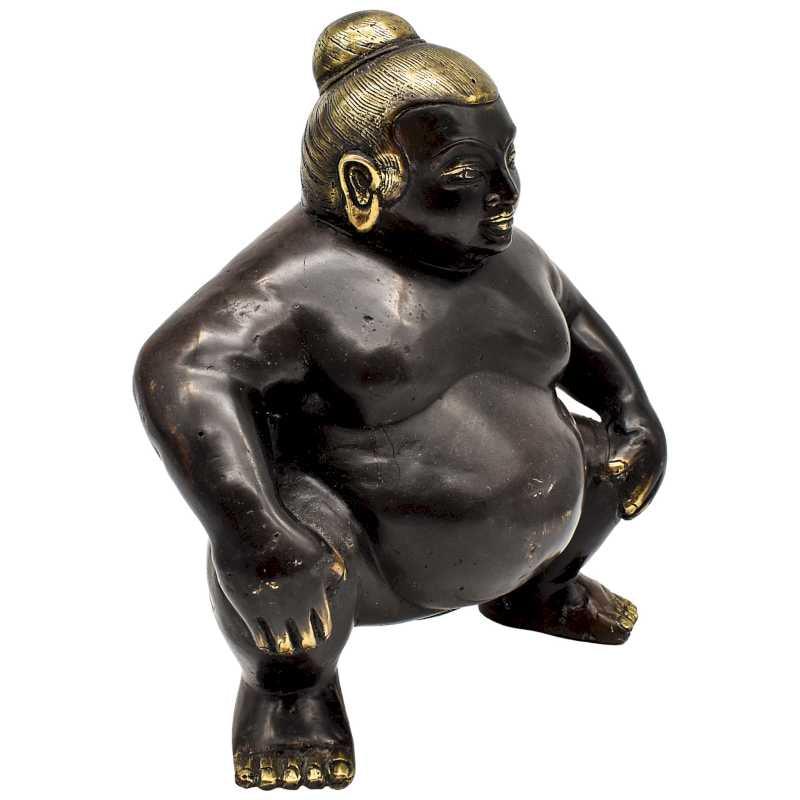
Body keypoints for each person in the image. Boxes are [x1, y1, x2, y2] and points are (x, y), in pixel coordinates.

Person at [134, 10, 666, 791]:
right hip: (361, 557)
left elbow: (576, 324)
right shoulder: (296, 280)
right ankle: (291, 693)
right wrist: (254, 531)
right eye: (465, 175)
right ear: (363, 184)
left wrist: (633, 415)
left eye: (509, 159)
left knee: (613, 456)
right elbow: (180, 369)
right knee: (283, 561)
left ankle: (538, 590)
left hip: (531, 530)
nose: (506, 194)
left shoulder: (512, 256)